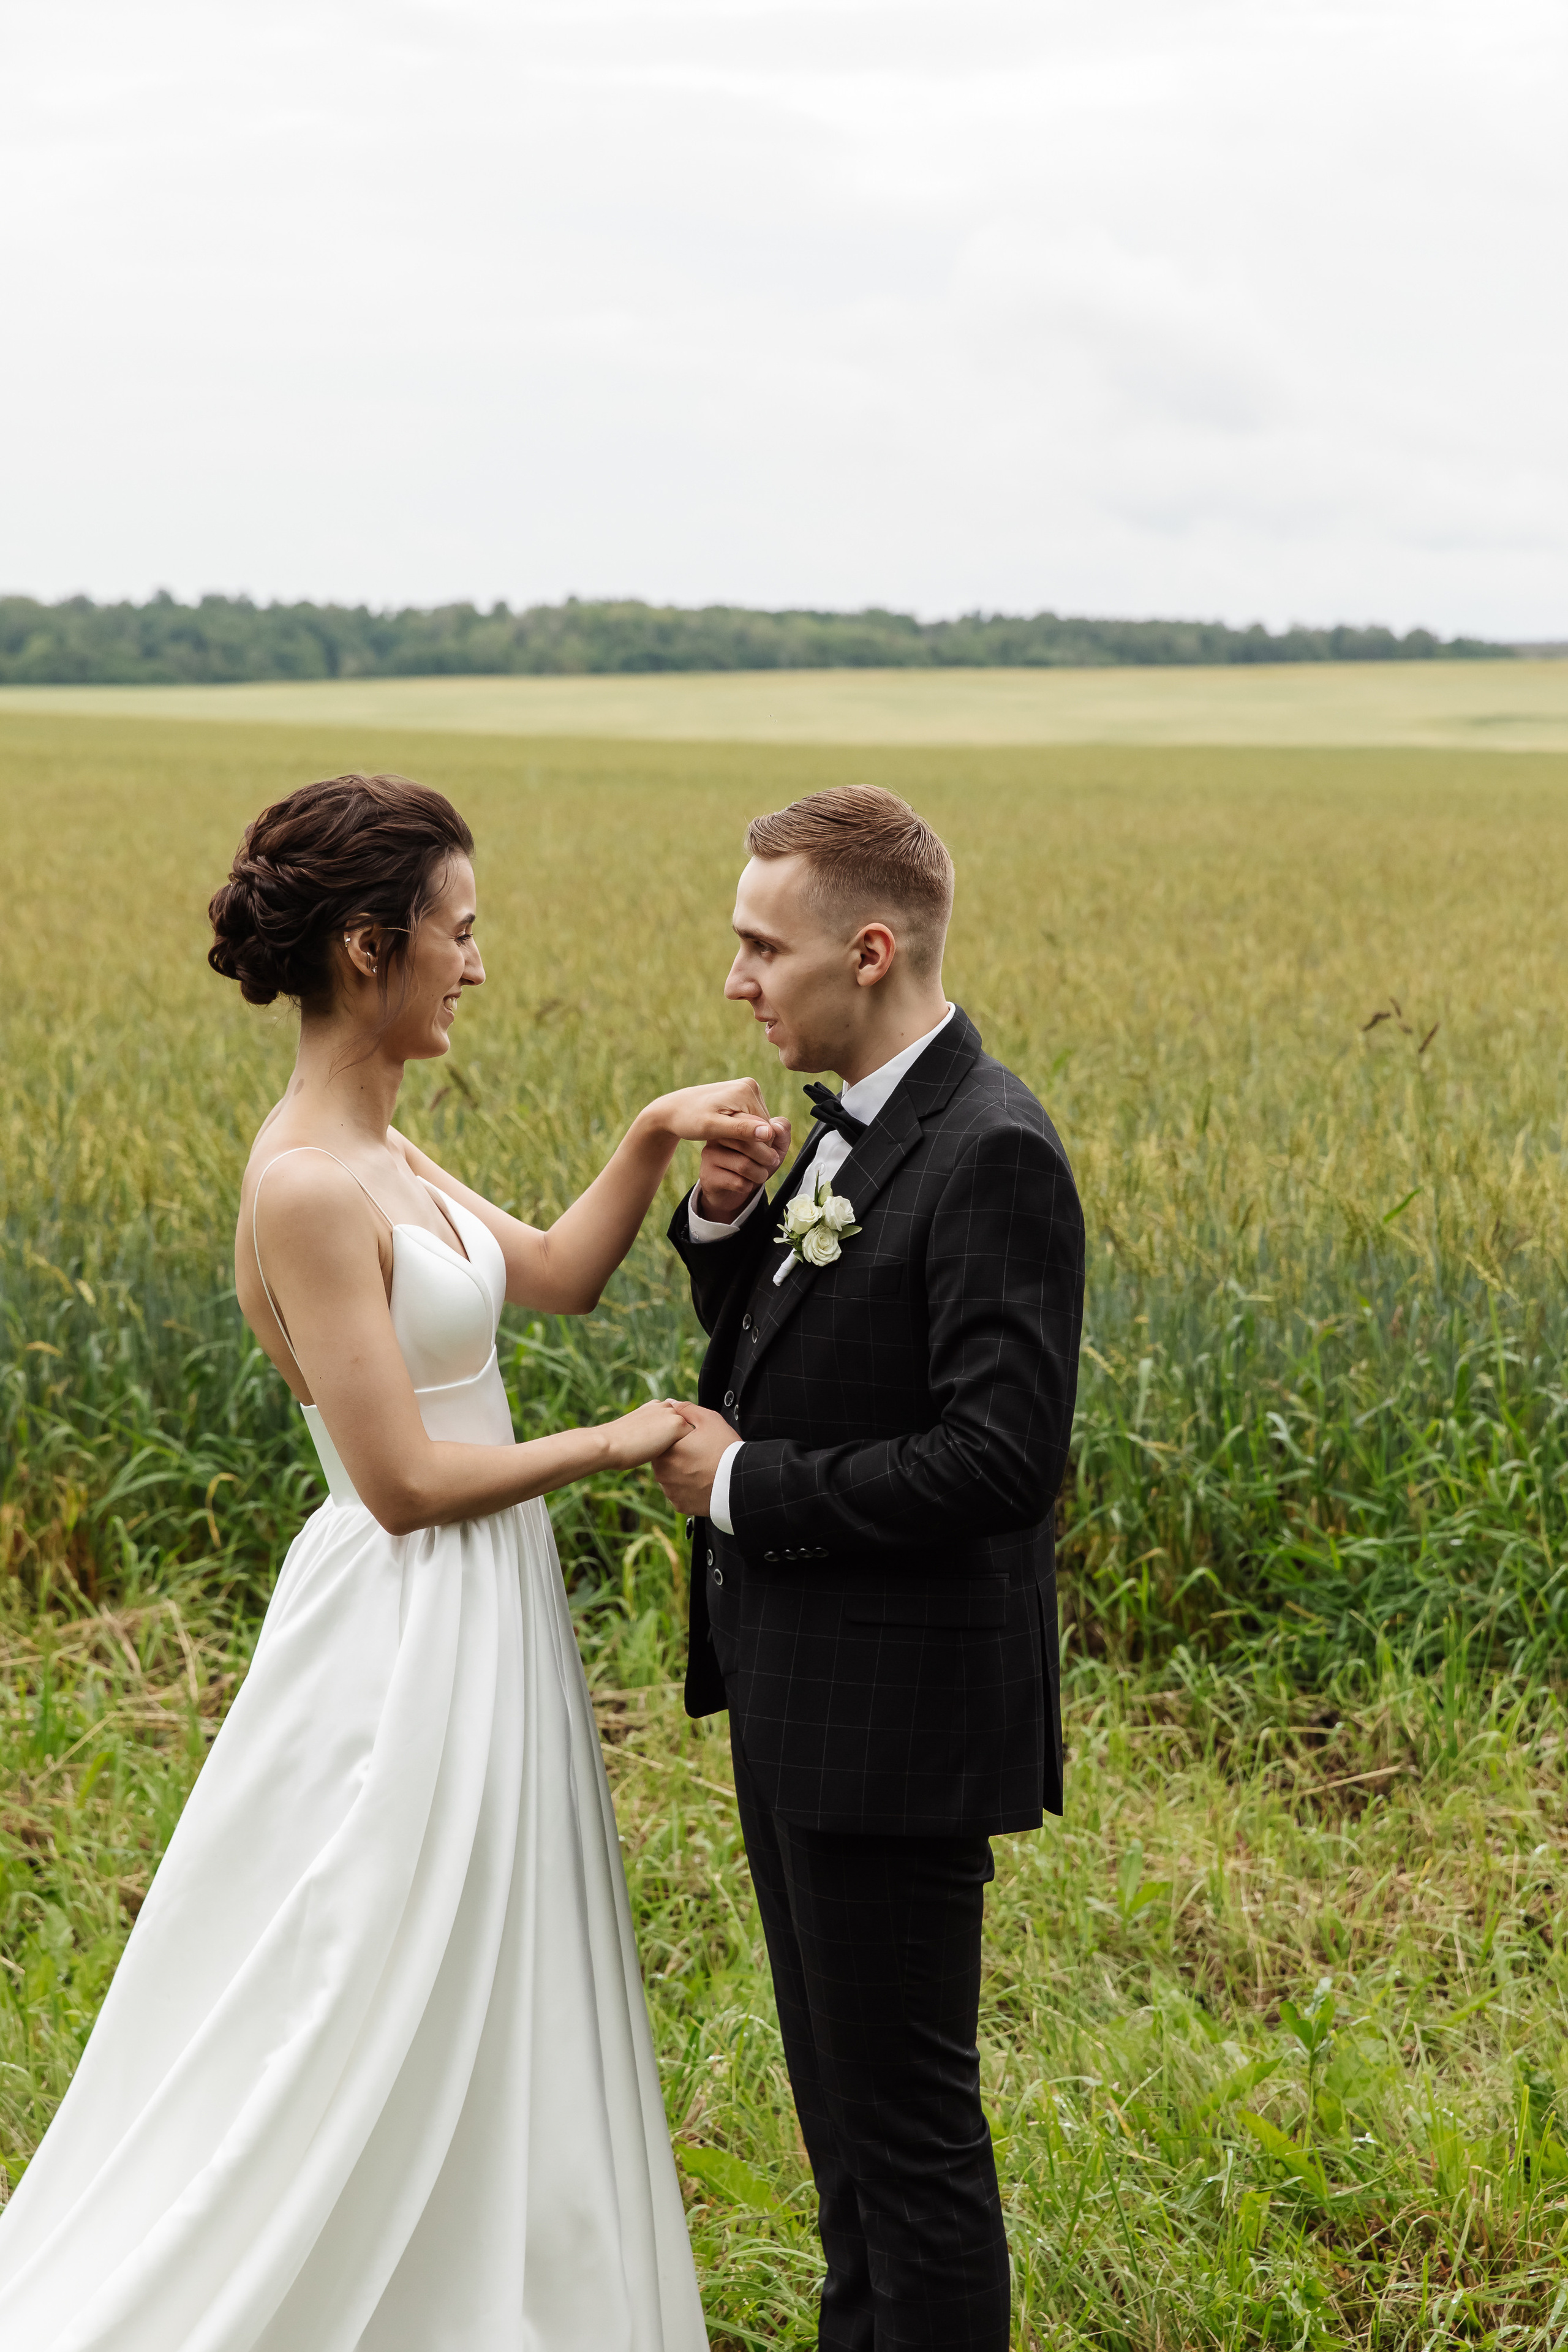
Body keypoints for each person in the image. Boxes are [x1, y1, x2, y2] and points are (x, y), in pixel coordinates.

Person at [0, 771, 785, 2351]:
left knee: (487, 1966)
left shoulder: (390, 1153)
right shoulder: (303, 1181)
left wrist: (651, 1136)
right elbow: (404, 1482)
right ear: (370, 948)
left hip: (484, 1617)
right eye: (460, 932)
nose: (476, 967)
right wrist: (620, 1442)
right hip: (404, 1625)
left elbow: (556, 1278)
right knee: (363, 1977)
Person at [654, 785, 1085, 2352]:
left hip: (892, 1730)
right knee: (841, 2132)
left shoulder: (990, 1152)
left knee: (905, 2140)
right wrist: (722, 1232)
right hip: (804, 1706)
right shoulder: (866, 1131)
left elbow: (999, 1461)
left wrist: (742, 1483)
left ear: (872, 949)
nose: (738, 982)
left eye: (761, 947)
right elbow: (809, 1349)